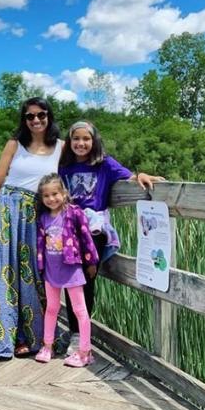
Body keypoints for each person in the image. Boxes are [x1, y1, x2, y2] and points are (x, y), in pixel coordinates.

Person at [0, 97, 64, 358]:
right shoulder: (14, 145)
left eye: (41, 115)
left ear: (49, 117)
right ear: (24, 119)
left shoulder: (61, 147)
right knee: (4, 274)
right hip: (6, 211)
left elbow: (95, 159)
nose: (36, 120)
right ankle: (0, 340)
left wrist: (132, 175)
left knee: (32, 276)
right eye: (30, 116)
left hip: (36, 216)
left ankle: (32, 337)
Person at [58, 120, 164, 324]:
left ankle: (81, 334)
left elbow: (129, 175)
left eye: (86, 138)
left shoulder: (104, 163)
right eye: (76, 138)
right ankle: (75, 332)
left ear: (94, 140)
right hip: (70, 227)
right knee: (72, 280)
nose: (81, 143)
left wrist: (140, 175)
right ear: (70, 141)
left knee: (85, 279)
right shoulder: (65, 166)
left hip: (94, 228)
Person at [33, 173, 98, 367]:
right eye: (46, 196)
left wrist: (91, 261)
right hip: (51, 272)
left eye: (55, 194)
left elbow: (87, 238)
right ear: (42, 198)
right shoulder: (43, 218)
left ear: (63, 193)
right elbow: (40, 244)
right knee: (52, 308)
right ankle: (47, 346)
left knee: (80, 310)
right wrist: (41, 266)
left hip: (72, 269)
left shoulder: (74, 213)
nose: (51, 199)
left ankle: (85, 352)